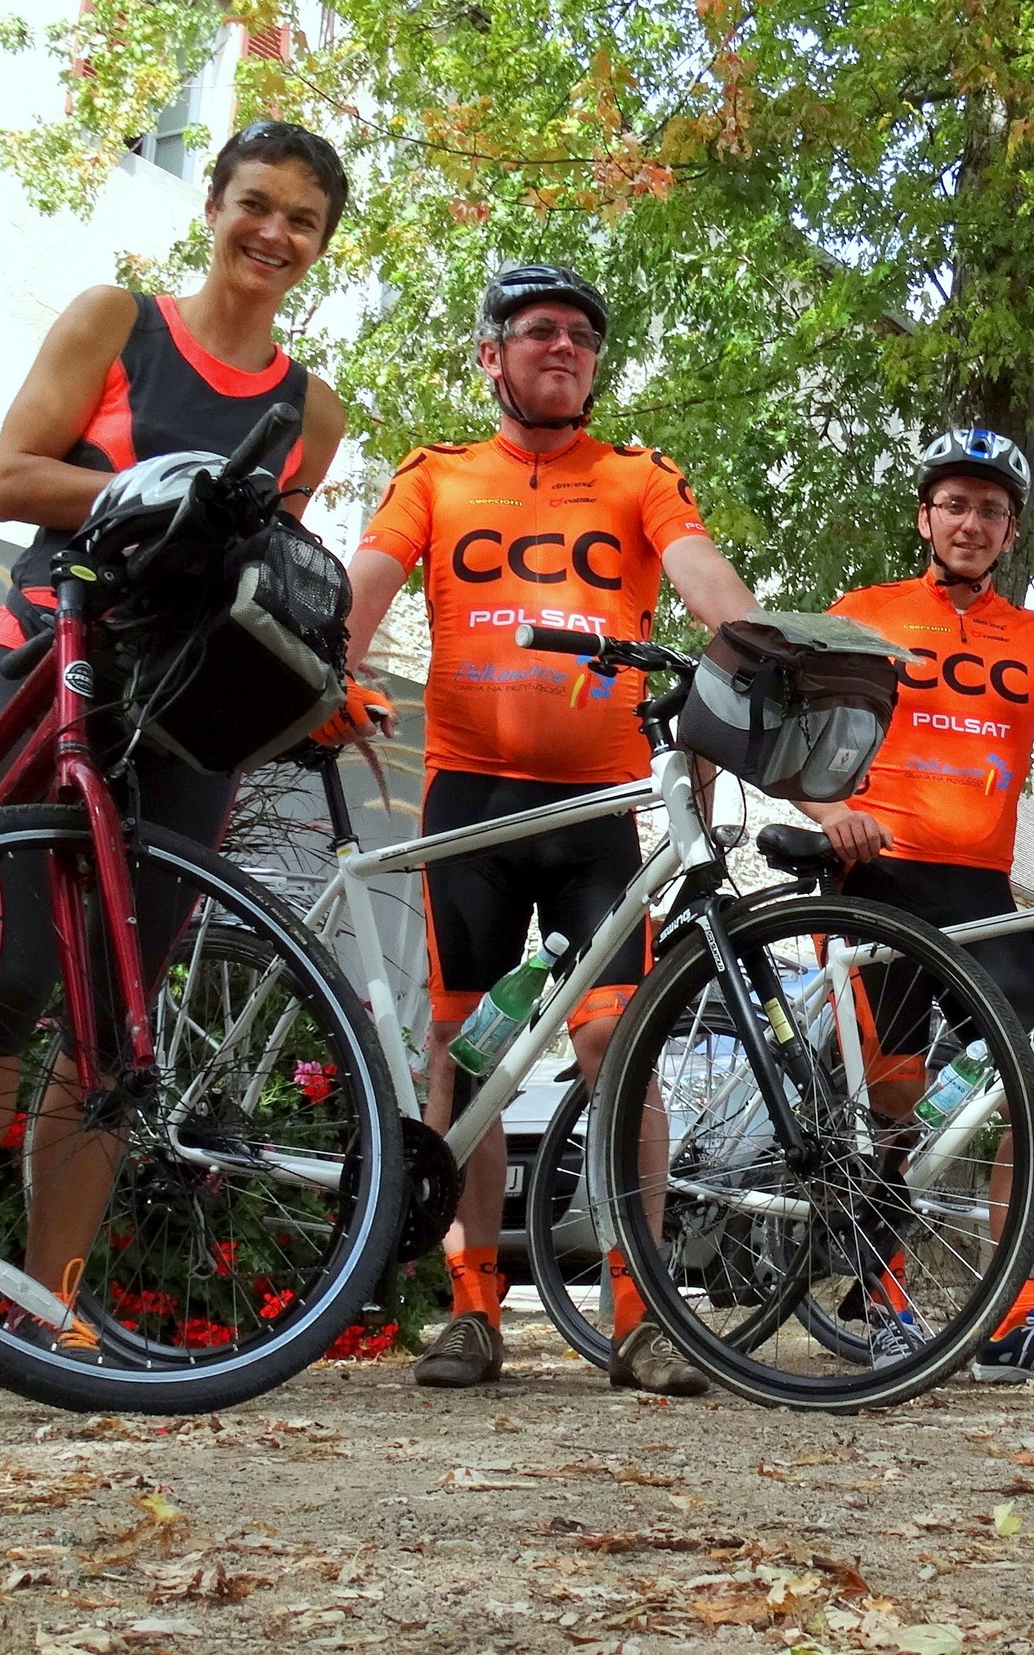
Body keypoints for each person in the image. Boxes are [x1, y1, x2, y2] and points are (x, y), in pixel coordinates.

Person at [0, 122, 360, 1390]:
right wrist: (165, 485)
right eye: (254, 204)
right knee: (9, 980)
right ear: (217, 209)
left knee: (117, 1014)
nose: (271, 234)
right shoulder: (115, 320)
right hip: (56, 661)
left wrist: (323, 681)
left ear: (321, 246)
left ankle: (47, 1307)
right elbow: (13, 477)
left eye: (301, 219)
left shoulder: (314, 410)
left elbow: (263, 572)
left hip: (192, 704)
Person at [345, 264, 759, 1397]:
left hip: (597, 814)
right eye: (538, 331)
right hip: (469, 803)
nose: (564, 347)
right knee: (462, 1057)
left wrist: (762, 645)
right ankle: (471, 1312)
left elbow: (701, 575)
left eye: (583, 333)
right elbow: (364, 589)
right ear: (491, 356)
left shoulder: (635, 476)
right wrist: (325, 664)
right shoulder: (436, 476)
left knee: (611, 1051)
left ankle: (641, 1315)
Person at [801, 427, 1034, 1388]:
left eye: (990, 510)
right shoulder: (867, 613)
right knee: (891, 1105)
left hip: (981, 894)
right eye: (954, 505)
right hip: (877, 881)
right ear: (926, 517)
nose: (970, 522)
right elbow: (792, 719)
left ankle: (1016, 1318)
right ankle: (887, 1308)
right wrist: (831, 811)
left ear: (1010, 532)